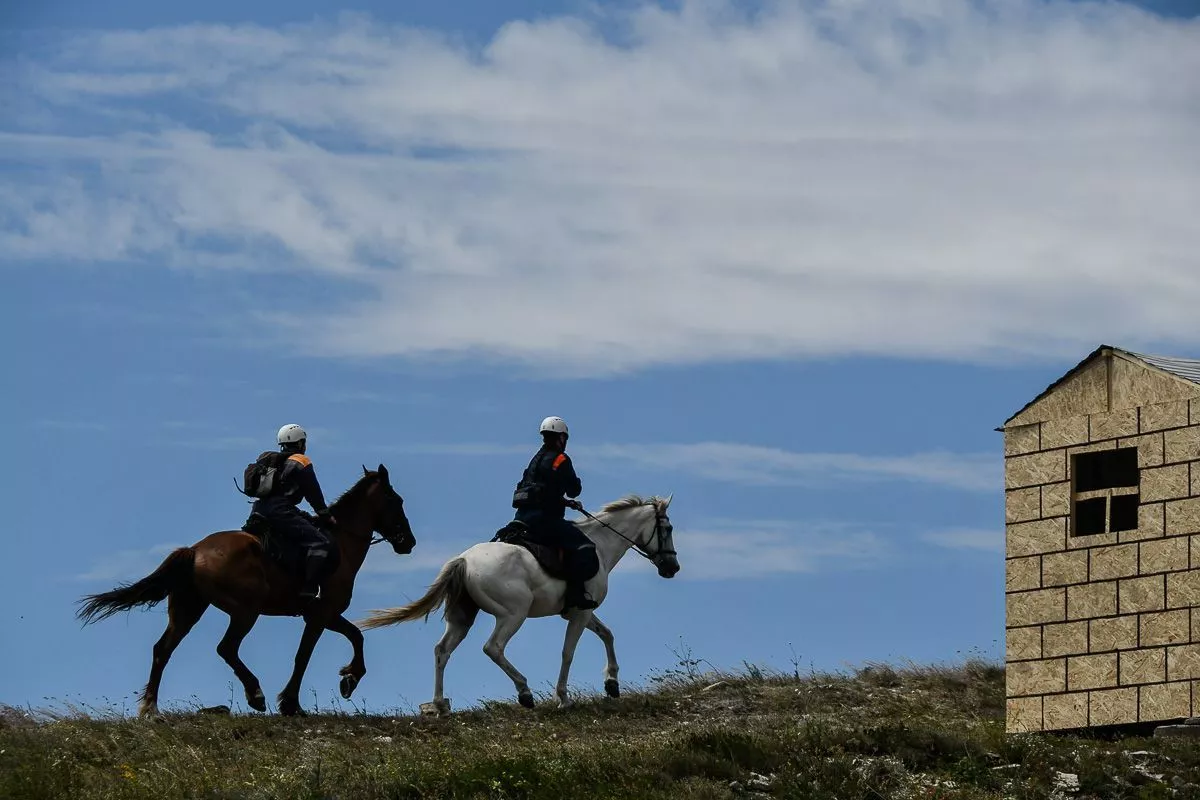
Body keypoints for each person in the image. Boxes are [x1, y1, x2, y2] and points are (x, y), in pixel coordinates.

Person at [511, 416, 599, 611]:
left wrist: (565, 502)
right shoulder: (561, 459)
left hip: (521, 519)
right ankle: (575, 594)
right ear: (561, 437)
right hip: (545, 521)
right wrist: (571, 491)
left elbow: (542, 492)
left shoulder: (534, 460)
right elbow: (574, 489)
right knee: (585, 547)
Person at [252, 424, 339, 601]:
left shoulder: (269, 460)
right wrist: (326, 516)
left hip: (258, 509)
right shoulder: (301, 461)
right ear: (300, 443)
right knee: (319, 542)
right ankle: (309, 589)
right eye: (304, 442)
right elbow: (314, 495)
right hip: (281, 511)